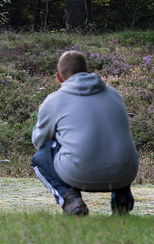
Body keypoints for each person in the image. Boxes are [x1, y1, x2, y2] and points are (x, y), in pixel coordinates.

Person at [31, 50, 139, 216]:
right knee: (114, 141)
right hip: (125, 173)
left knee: (40, 158)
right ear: (88, 73)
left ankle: (71, 200)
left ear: (59, 77)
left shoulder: (54, 100)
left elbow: (39, 142)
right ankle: (122, 202)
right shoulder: (114, 94)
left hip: (79, 175)